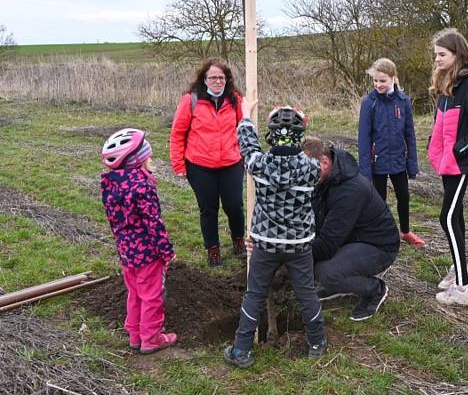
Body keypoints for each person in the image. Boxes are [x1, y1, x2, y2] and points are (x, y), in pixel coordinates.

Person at [224, 102, 327, 368]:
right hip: (299, 244)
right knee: (306, 293)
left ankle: (241, 351)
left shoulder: (259, 164)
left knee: (255, 294)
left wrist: (246, 117)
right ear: (300, 135)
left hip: (265, 243)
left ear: (271, 134)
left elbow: (247, 145)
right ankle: (317, 343)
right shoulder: (312, 168)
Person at [301, 137, 399, 322]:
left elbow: (327, 245)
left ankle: (374, 289)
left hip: (378, 246)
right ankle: (339, 284)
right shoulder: (323, 179)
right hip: (351, 238)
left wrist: (293, 251)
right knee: (315, 264)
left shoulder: (350, 191)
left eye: (308, 168)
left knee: (326, 272)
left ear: (324, 161)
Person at [427, 28, 468, 307]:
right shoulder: (448, 83)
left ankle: (463, 288)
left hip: (460, 161)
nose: (437, 59)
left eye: (442, 54)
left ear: (457, 54)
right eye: (436, 54)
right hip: (446, 162)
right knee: (457, 217)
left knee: (448, 218)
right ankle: (458, 267)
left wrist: (458, 151)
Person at [101, 128, 177, 354]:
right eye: (148, 157)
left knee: (134, 293)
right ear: (138, 160)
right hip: (147, 253)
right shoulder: (143, 187)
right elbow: (154, 223)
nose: (151, 160)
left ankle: (135, 335)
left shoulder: (109, 184)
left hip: (125, 251)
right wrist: (166, 252)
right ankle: (151, 338)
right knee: (152, 296)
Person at [169, 59, 246, 267]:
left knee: (234, 206)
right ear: (204, 79)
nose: (217, 81)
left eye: (221, 77)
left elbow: (244, 129)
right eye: (213, 77)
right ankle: (213, 250)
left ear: (227, 79)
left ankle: (239, 241)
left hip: (231, 163)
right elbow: (177, 133)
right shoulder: (190, 100)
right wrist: (178, 164)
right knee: (208, 209)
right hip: (200, 166)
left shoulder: (235, 100)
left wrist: (247, 156)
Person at [358, 58, 425, 247]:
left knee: (404, 197)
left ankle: (405, 231)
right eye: (375, 81)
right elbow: (363, 138)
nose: (378, 84)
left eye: (383, 81)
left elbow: (409, 134)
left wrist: (412, 164)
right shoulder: (368, 103)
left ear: (393, 78)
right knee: (379, 201)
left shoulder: (403, 101)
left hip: (398, 160)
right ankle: (381, 234)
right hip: (376, 162)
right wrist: (365, 170)